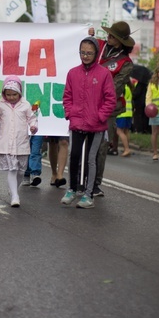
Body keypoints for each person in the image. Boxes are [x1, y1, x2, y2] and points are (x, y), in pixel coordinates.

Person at [60, 37, 116, 209]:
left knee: (91, 159)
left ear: (96, 54)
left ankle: (88, 194)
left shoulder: (104, 74)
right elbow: (67, 97)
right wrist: (70, 113)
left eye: (89, 53)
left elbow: (110, 100)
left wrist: (100, 116)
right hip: (77, 122)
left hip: (96, 125)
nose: (85, 56)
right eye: (83, 52)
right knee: (74, 155)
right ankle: (72, 189)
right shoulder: (72, 73)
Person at [88, 21, 135, 196]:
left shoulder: (126, 63)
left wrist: (95, 92)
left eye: (113, 35)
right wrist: (87, 34)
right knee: (81, 142)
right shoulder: (97, 45)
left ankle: (95, 184)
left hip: (107, 109)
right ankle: (79, 179)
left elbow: (114, 87)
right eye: (109, 33)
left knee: (100, 145)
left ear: (121, 41)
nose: (108, 36)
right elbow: (82, 46)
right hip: (86, 104)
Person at [0, 76, 38, 207]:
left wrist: (33, 126)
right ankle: (15, 196)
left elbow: (32, 118)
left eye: (14, 94)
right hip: (7, 143)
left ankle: (13, 188)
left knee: (21, 171)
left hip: (21, 143)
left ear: (19, 92)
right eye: (8, 94)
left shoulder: (25, 105)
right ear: (4, 93)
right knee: (12, 169)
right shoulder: (1, 105)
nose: (11, 97)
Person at [116, 82, 134, 156]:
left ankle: (126, 149)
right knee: (126, 131)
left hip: (122, 113)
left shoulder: (122, 88)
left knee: (119, 131)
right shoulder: (129, 87)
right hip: (129, 112)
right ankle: (126, 148)